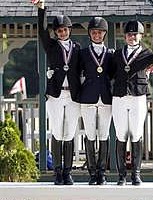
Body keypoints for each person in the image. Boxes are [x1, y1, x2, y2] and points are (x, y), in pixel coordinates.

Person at [112, 20, 153, 186]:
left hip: (138, 97)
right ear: (124, 36)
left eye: (135, 34)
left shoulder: (147, 54)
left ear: (140, 36)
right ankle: (121, 176)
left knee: (136, 134)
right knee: (121, 135)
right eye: (129, 34)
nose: (132, 37)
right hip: (119, 97)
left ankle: (135, 174)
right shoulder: (117, 54)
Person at [32, 0, 81, 185]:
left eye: (65, 30)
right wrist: (42, 10)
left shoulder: (77, 48)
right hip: (55, 95)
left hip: (73, 95)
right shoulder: (51, 46)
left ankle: (68, 172)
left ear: (69, 30)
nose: (62, 33)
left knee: (69, 133)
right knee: (57, 132)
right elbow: (42, 30)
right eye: (59, 30)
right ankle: (57, 172)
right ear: (56, 33)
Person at [79, 17, 114, 185]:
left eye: (100, 32)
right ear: (90, 34)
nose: (97, 35)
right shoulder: (83, 53)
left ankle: (102, 172)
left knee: (104, 135)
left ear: (104, 34)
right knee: (90, 135)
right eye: (94, 32)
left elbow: (116, 74)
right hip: (88, 97)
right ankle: (92, 173)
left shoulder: (111, 53)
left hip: (106, 98)